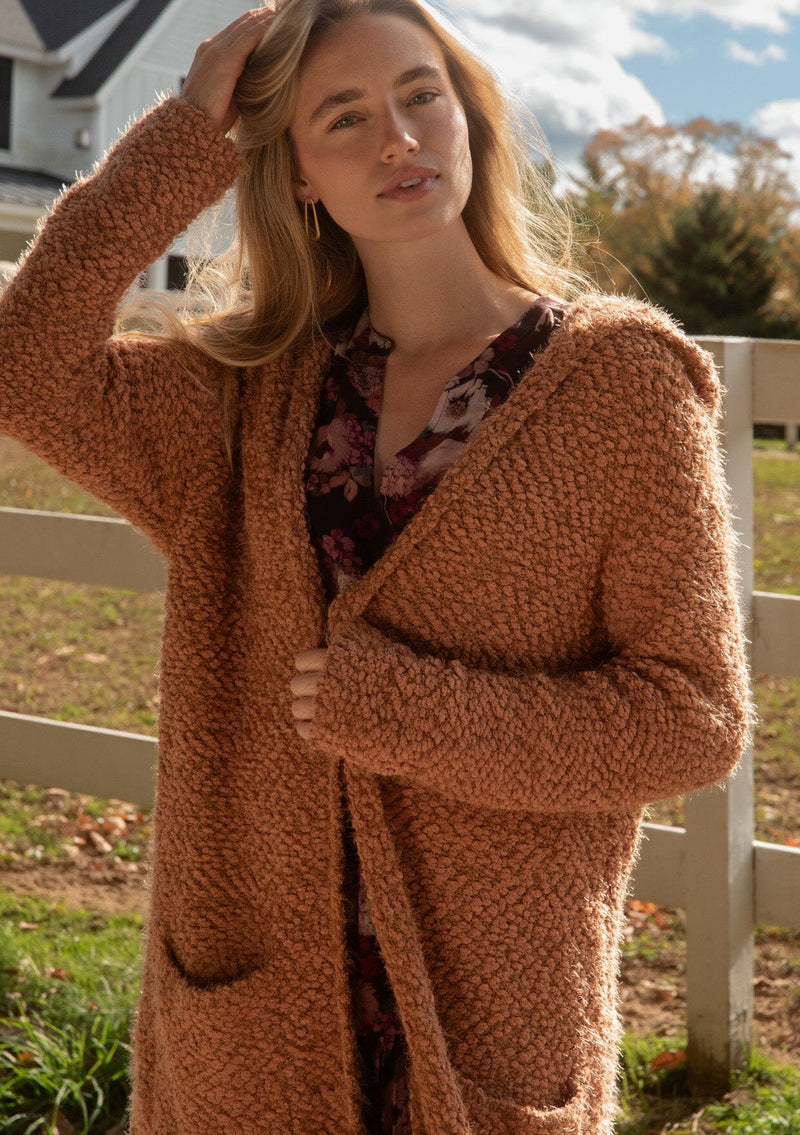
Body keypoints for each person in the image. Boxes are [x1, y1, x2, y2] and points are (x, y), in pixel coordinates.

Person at [0, 1, 753, 1133]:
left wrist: (408, 711)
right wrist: (186, 134)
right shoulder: (249, 395)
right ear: (295, 171)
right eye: (343, 117)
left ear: (468, 119)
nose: (397, 138)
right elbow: (26, 364)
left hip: (483, 1029)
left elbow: (691, 717)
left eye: (419, 95)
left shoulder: (619, 387)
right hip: (251, 1019)